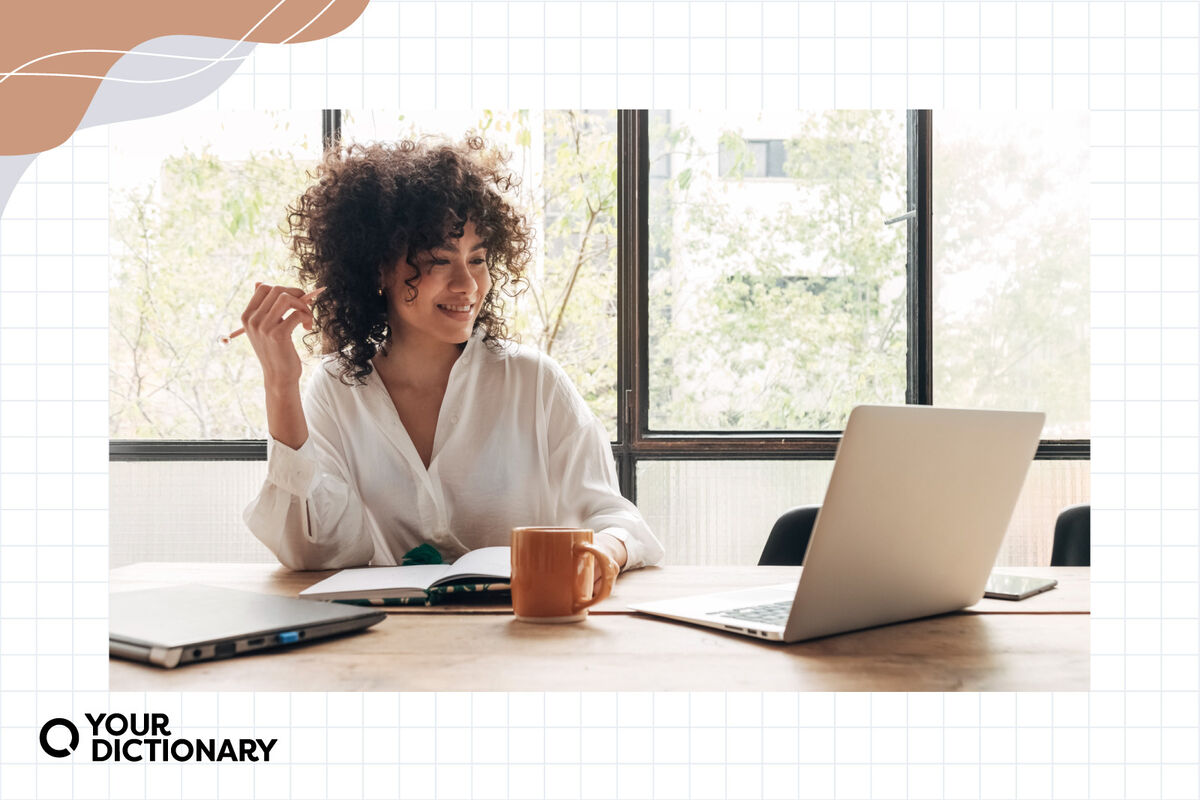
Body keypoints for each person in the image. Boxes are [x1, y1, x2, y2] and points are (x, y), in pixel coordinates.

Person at [241, 136, 664, 587]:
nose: (467, 285)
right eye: (439, 261)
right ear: (378, 269)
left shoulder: (533, 382)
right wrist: (280, 385)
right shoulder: (335, 388)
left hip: (524, 641)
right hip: (388, 644)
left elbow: (617, 520)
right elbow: (313, 552)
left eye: (477, 259)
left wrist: (603, 552)